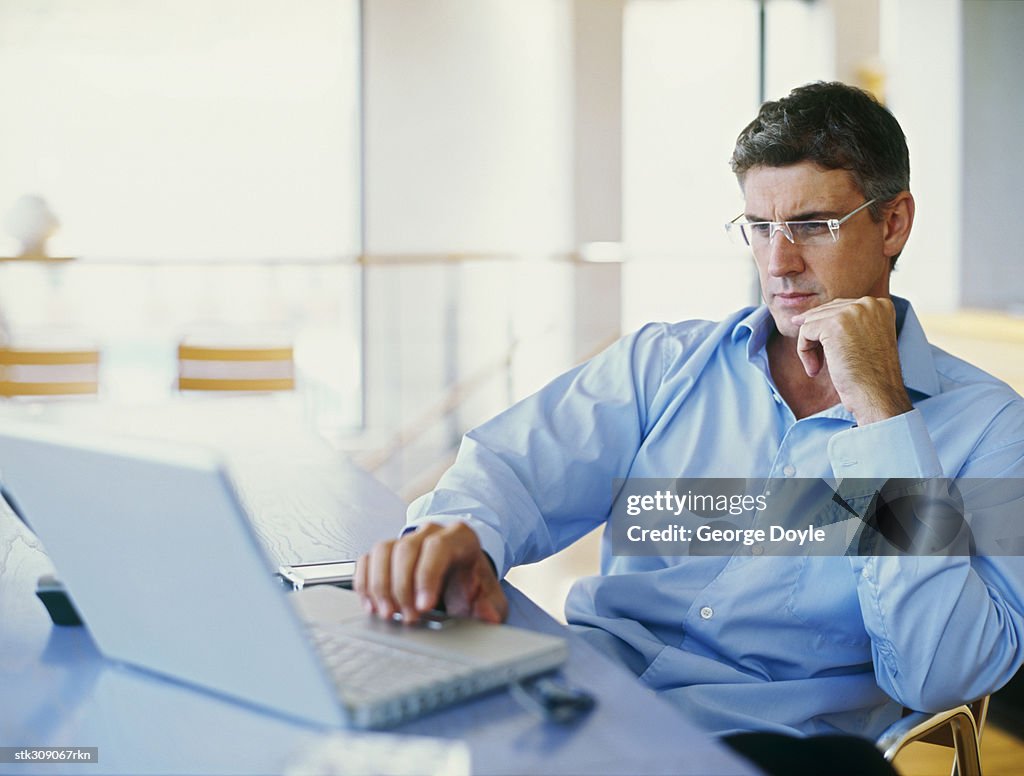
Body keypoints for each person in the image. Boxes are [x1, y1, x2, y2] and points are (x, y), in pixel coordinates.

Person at [355, 82, 1024, 772]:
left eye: (814, 224)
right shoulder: (662, 364)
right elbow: (511, 470)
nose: (778, 262)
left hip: (772, 752)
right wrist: (460, 531)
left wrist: (884, 414)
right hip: (583, 716)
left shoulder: (991, 427)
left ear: (893, 224)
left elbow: (943, 674)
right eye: (759, 227)